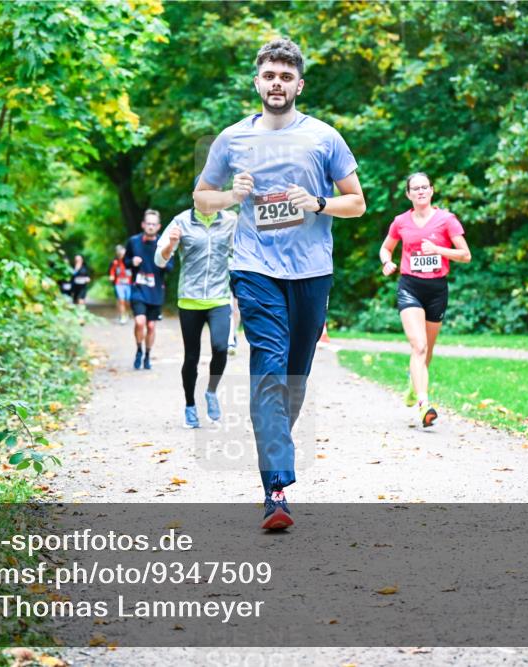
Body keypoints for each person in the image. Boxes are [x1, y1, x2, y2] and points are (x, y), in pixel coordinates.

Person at [194, 38, 365, 530]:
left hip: (312, 272)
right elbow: (202, 198)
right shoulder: (232, 140)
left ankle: (275, 450)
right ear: (257, 82)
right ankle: (276, 490)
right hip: (254, 269)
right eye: (269, 75)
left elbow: (357, 203)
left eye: (286, 77)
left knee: (294, 378)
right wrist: (231, 194)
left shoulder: (324, 138)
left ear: (299, 85)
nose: (277, 83)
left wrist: (317, 202)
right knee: (268, 369)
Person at [378, 172, 471, 428]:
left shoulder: (446, 220)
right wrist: (387, 261)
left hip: (437, 290)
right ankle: (423, 405)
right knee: (418, 346)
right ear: (408, 194)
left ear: (432, 190)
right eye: (415, 188)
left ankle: (414, 384)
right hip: (410, 287)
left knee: (426, 351)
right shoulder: (400, 222)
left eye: (424, 187)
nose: (420, 191)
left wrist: (439, 250)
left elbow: (465, 255)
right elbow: (386, 248)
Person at [156, 203, 238, 429]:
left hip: (219, 298)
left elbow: (240, 251)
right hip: (190, 299)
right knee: (191, 357)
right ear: (196, 197)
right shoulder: (181, 221)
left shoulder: (230, 221)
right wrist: (171, 244)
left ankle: (211, 391)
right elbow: (159, 260)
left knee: (221, 347)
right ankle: (190, 406)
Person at [124, 210, 173, 370]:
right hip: (138, 288)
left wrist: (164, 263)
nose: (151, 226)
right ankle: (139, 349)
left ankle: (147, 355)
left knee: (151, 326)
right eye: (148, 223)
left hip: (156, 291)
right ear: (143, 224)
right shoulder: (133, 242)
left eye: (154, 224)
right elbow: (125, 261)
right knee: (140, 321)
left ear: (158, 227)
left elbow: (171, 267)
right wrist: (132, 261)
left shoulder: (163, 245)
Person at [108, 244, 132, 324]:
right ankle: (122, 316)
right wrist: (111, 276)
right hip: (119, 283)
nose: (120, 253)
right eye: (119, 251)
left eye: (122, 250)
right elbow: (111, 271)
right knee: (121, 300)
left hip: (129, 283)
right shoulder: (115, 262)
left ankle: (127, 312)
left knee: (128, 301)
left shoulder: (130, 261)